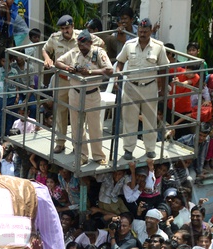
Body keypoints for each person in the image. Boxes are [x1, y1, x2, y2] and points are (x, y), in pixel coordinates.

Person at [55, 30, 113, 166]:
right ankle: (81, 155)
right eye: (79, 44)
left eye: (84, 44)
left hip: (92, 94)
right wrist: (68, 68)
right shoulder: (75, 52)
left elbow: (109, 71)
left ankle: (98, 155)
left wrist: (90, 72)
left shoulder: (98, 53)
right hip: (75, 93)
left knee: (95, 127)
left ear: (90, 43)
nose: (81, 47)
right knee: (76, 126)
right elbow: (58, 62)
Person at [116, 19, 169, 160]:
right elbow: (120, 61)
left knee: (150, 119)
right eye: (140, 31)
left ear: (151, 31)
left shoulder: (158, 46)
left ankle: (150, 149)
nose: (142, 34)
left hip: (149, 87)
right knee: (129, 119)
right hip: (131, 86)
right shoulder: (129, 45)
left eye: (145, 31)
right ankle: (128, 149)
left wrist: (163, 89)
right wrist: (117, 76)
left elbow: (164, 68)